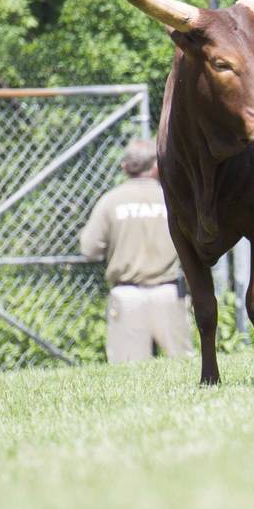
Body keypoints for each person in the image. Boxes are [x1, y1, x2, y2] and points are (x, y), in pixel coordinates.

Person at [79, 139, 192, 363]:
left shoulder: (111, 201)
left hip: (127, 295)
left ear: (125, 167)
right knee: (184, 367)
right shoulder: (173, 200)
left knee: (127, 372)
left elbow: (89, 249)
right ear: (157, 166)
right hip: (168, 294)